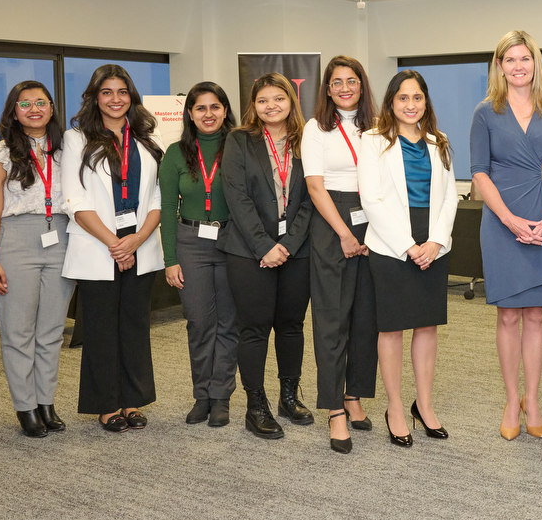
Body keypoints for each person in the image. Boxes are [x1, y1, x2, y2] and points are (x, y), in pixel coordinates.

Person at [470, 31, 542, 441]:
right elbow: (479, 172)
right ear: (499, 66)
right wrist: (510, 220)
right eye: (509, 59)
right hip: (501, 220)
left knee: (535, 315)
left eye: (524, 59)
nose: (518, 66)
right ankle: (512, 399)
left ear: (536, 63)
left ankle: (533, 396)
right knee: (508, 314)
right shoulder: (485, 112)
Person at [62, 64, 164, 432]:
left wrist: (137, 240)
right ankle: (106, 404)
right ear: (95, 97)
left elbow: (156, 197)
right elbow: (72, 198)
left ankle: (133, 400)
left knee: (135, 326)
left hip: (141, 243)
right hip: (98, 245)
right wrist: (114, 243)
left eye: (122, 92)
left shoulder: (147, 140)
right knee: (102, 328)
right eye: (107, 92)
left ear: (131, 97)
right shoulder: (76, 139)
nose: (115, 99)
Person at [359, 70, 458, 449]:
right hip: (390, 243)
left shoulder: (440, 141)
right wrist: (407, 245)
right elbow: (372, 199)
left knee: (427, 326)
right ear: (391, 102)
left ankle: (425, 405)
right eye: (403, 98)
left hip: (432, 239)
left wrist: (434, 241)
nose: (411, 105)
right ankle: (396, 408)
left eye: (418, 98)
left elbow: (450, 196)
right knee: (392, 329)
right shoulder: (373, 140)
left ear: (426, 102)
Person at [218, 73, 314, 440]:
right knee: (254, 328)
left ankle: (289, 397)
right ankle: (255, 405)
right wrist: (264, 246)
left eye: (279, 98)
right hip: (248, 250)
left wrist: (288, 244)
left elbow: (310, 198)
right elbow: (237, 198)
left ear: (291, 100)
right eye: (263, 100)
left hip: (297, 249)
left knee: (291, 325)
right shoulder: (240, 140)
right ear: (253, 106)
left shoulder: (308, 139)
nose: (271, 106)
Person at [0, 81, 74, 438]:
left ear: (51, 108)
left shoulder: (67, 150)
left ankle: (46, 402)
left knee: (51, 331)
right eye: (25, 103)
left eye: (41, 102)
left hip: (62, 238)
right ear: (13, 110)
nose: (34, 109)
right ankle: (25, 406)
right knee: (18, 331)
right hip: (16, 241)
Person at [304, 56, 380, 454]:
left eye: (352, 81)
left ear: (362, 85)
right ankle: (334, 407)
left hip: (374, 221)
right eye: (337, 82)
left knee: (366, 318)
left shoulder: (377, 127)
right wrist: (345, 234)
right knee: (332, 318)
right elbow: (315, 188)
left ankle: (355, 395)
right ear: (327, 89)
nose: (345, 88)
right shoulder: (316, 127)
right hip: (332, 223)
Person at [161, 82, 238, 429]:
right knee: (199, 322)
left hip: (232, 242)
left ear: (225, 110)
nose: (209, 114)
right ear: (189, 114)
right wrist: (169, 259)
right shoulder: (175, 153)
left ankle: (221, 396)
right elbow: (165, 210)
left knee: (229, 323)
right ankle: (202, 394)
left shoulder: (239, 148)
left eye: (215, 107)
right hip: (190, 243)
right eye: (200, 108)